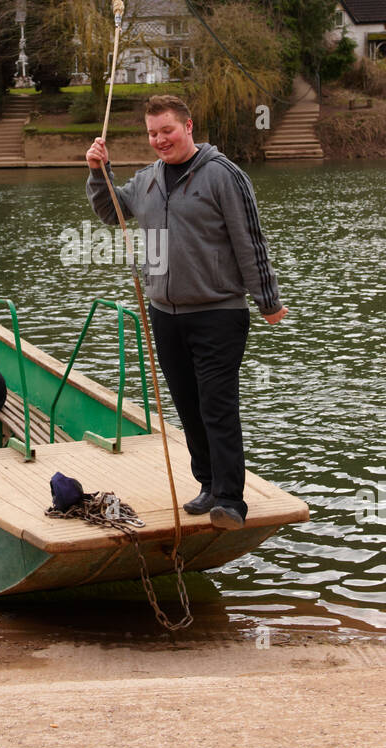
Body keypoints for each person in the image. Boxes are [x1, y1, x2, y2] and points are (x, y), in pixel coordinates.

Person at [86, 94, 287, 528]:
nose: (160, 140)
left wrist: (267, 299)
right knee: (188, 405)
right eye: (153, 133)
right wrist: (98, 172)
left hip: (218, 312)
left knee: (217, 404)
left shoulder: (223, 175)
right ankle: (208, 484)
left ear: (188, 126)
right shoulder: (146, 181)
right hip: (165, 313)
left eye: (167, 130)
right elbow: (110, 212)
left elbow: (249, 240)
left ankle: (231, 500)